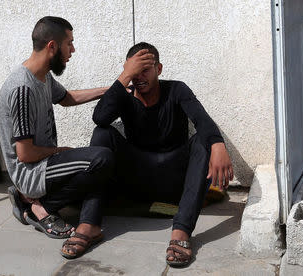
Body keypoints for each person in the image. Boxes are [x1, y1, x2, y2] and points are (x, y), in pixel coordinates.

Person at [90, 42, 233, 267]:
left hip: (174, 179)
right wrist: (124, 76)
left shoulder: (177, 90)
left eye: (145, 69)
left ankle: (181, 231)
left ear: (159, 69)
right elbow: (100, 117)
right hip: (138, 177)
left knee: (204, 141)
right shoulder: (124, 96)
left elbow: (201, 119)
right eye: (134, 71)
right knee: (102, 133)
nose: (139, 77)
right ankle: (89, 224)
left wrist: (217, 145)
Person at [0, 16, 113, 259]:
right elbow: (25, 154)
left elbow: (68, 98)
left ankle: (35, 201)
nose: (73, 49)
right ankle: (38, 207)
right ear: (52, 46)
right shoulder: (22, 88)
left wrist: (110, 90)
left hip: (44, 164)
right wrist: (60, 152)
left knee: (97, 168)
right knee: (100, 158)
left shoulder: (43, 76)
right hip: (31, 171)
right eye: (69, 43)